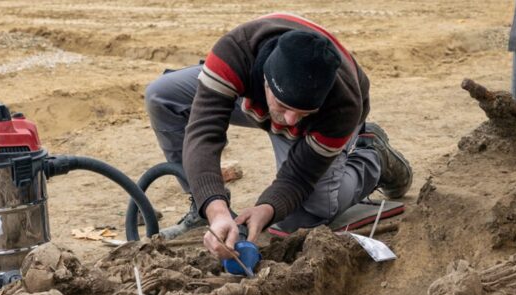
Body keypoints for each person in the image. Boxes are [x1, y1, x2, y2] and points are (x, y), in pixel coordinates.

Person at [145, 13, 412, 259]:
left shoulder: (343, 105)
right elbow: (203, 133)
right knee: (162, 96)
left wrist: (267, 209)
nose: (290, 121)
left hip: (320, 125)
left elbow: (299, 177)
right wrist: (214, 207)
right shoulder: (235, 53)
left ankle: (371, 156)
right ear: (265, 81)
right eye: (284, 107)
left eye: (302, 111)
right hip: (253, 94)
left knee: (304, 216)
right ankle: (202, 210)